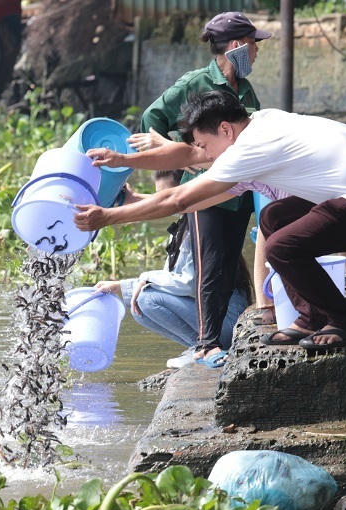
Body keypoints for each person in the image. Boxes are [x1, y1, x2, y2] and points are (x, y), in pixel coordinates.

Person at [73, 90, 346, 352]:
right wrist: (128, 174)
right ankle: (309, 318)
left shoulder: (250, 147)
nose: (207, 156)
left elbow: (179, 197)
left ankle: (345, 324)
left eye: (207, 145)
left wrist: (109, 217)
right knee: (274, 216)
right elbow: (198, 195)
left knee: (283, 247)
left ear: (225, 129)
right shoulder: (258, 124)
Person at [138, 12, 270, 365]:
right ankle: (206, 344)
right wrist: (182, 163)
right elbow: (151, 120)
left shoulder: (245, 87)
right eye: (254, 45)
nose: (257, 52)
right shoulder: (195, 83)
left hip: (238, 191)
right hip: (203, 190)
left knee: (227, 263)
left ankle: (221, 339)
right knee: (209, 267)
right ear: (237, 46)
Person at [93, 171, 250, 369]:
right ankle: (199, 345)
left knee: (147, 298)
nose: (162, 203)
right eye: (159, 196)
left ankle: (202, 346)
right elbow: (165, 204)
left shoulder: (201, 227)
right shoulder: (185, 223)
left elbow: (188, 283)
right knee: (138, 304)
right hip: (217, 320)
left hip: (229, 320)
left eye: (166, 197)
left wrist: (135, 281)